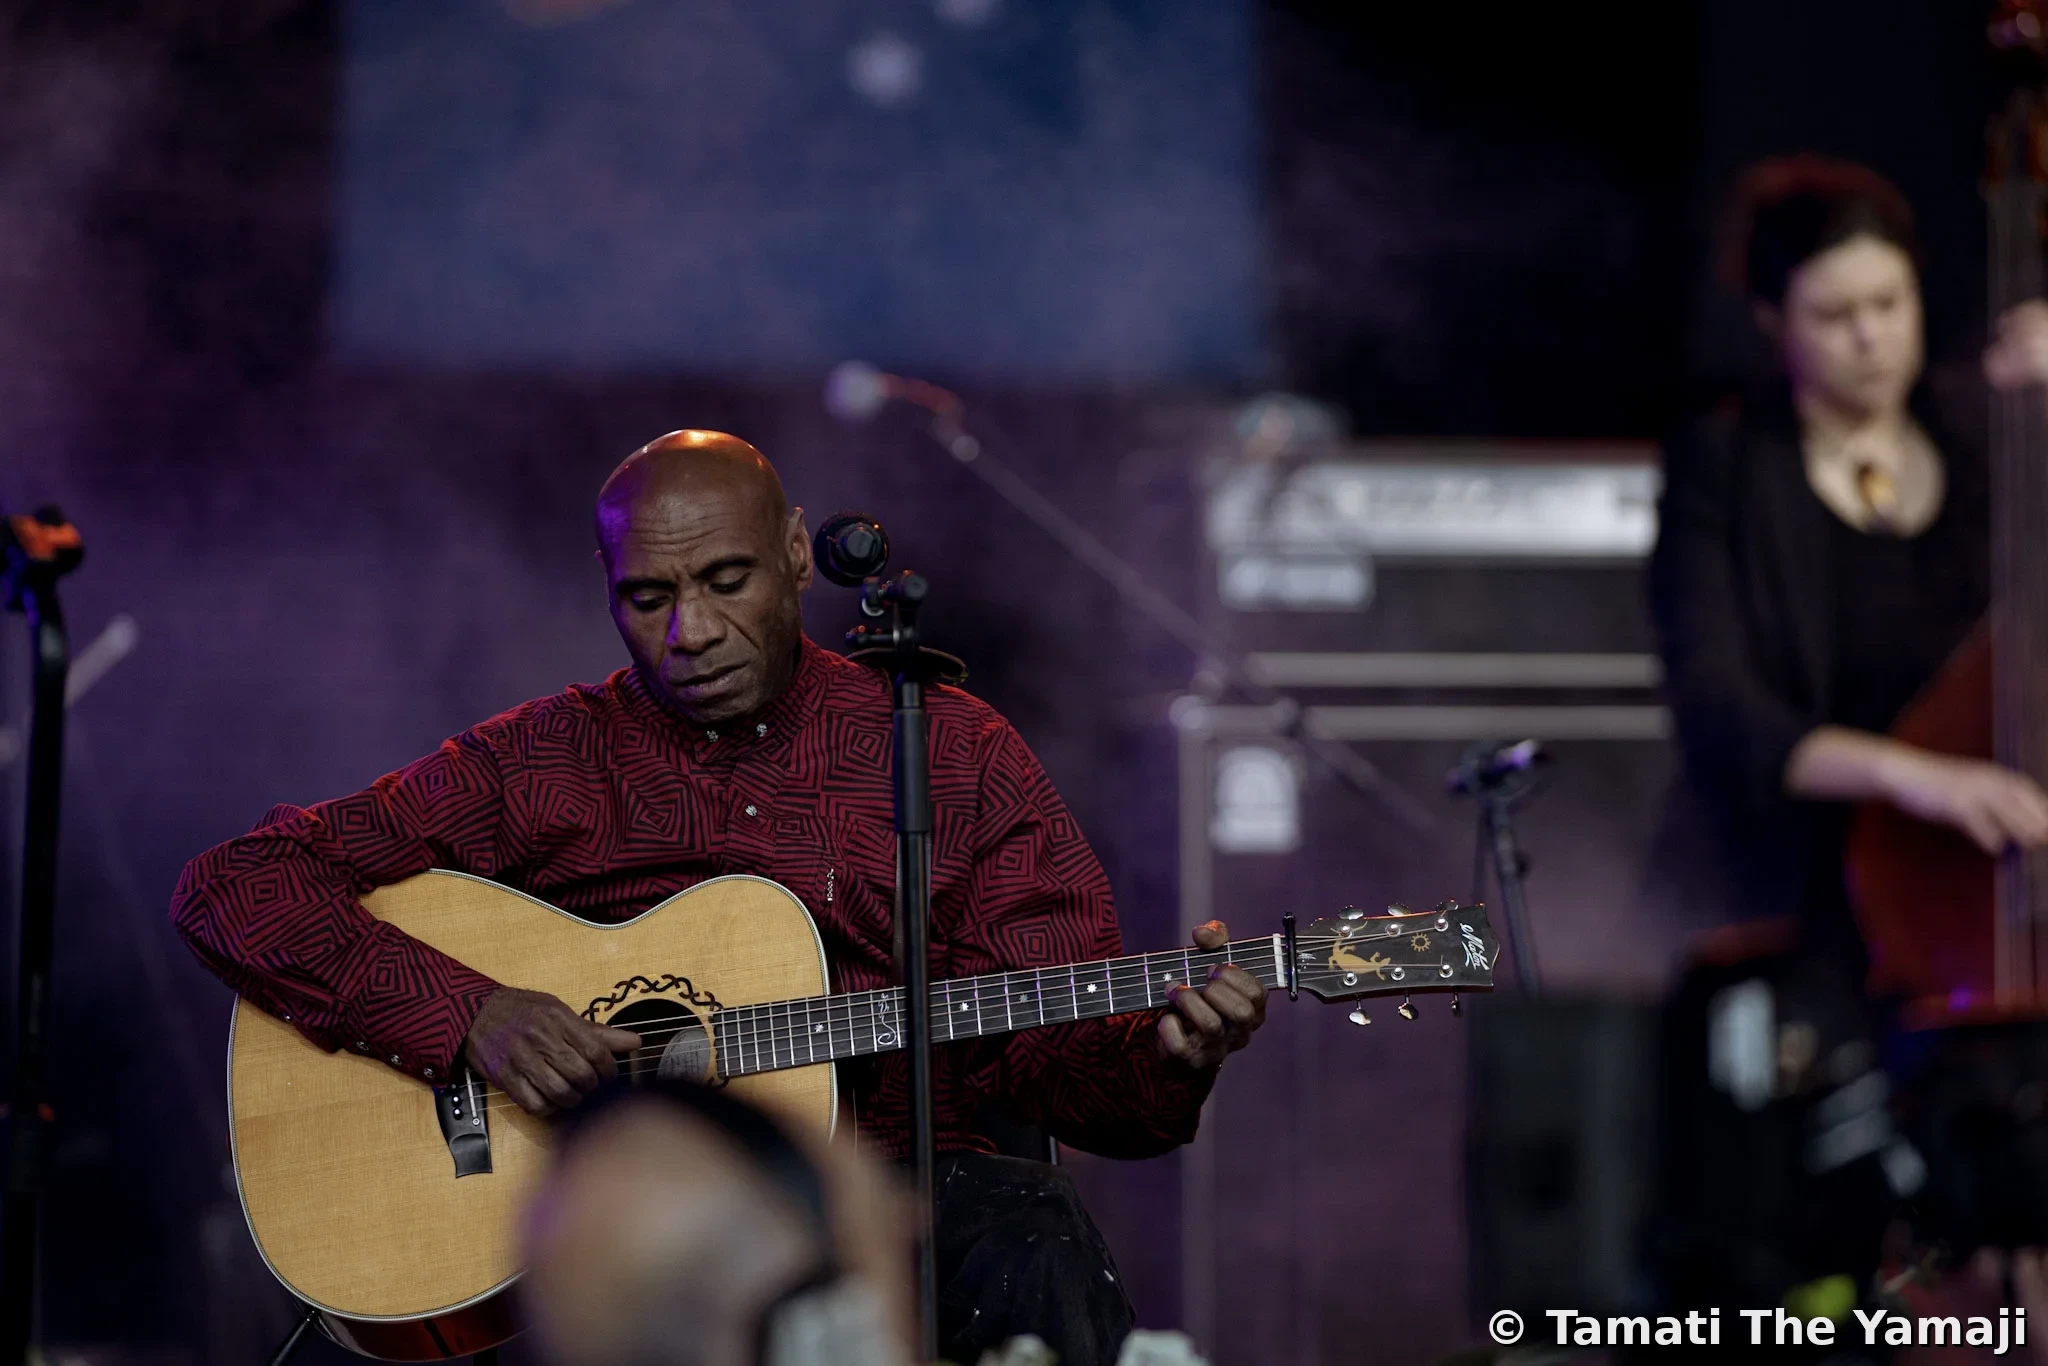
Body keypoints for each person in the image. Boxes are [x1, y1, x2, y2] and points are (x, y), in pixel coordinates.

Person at [169, 430, 1269, 1366]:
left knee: (1032, 1224)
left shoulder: (946, 748)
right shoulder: (546, 754)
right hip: (616, 1214)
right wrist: (469, 1017)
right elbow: (237, 883)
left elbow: (1064, 1079)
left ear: (796, 554)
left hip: (887, 1207)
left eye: (724, 582)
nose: (687, 634)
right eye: (648, 599)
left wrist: (1169, 1057)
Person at [1648, 154, 2048, 972]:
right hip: (1789, 889)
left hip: (1973, 887)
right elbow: (1719, 708)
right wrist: (1911, 777)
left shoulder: (1986, 436)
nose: (1871, 337)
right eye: (1834, 314)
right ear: (1771, 318)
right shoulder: (1723, 466)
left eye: (1889, 303)